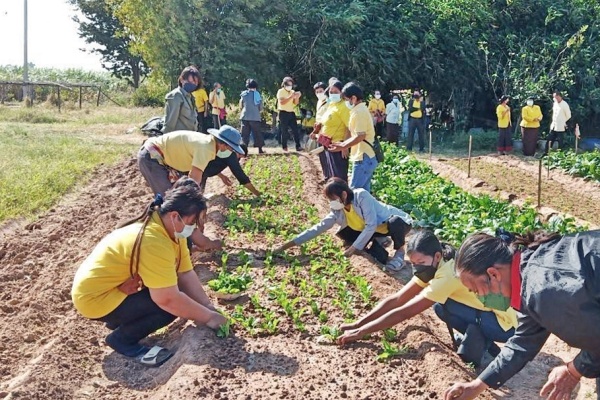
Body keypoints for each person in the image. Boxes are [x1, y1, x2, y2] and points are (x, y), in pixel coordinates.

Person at [71, 178, 227, 367]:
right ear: (175, 216)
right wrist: (209, 318)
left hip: (117, 288)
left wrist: (208, 307)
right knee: (167, 308)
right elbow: (167, 299)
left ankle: (121, 319)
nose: (193, 228)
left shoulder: (170, 231)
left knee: (177, 294)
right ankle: (122, 340)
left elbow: (185, 273)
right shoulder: (154, 241)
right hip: (94, 299)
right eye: (192, 222)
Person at [444, 230, 600, 400]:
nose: (479, 299)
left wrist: (573, 371)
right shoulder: (531, 272)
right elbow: (522, 343)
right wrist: (476, 386)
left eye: (476, 290)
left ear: (493, 274)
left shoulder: (543, 290)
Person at [337, 230, 517, 368]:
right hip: (490, 316)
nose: (417, 268)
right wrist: (358, 324)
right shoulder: (433, 266)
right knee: (441, 306)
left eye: (421, 263)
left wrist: (362, 332)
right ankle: (486, 344)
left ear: (437, 256)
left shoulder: (447, 276)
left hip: (506, 326)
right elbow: (398, 298)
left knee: (442, 306)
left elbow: (405, 312)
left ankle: (479, 346)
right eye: (414, 263)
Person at [137, 125, 244, 250]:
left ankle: (186, 243)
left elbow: (192, 179)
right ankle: (173, 243)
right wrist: (198, 210)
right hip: (152, 157)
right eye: (231, 149)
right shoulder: (206, 148)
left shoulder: (208, 144)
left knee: (180, 203)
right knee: (173, 203)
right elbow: (194, 180)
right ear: (224, 145)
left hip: (161, 158)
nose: (230, 152)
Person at [274, 178, 413, 271]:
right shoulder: (338, 209)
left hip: (394, 223)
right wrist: (286, 246)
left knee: (395, 222)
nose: (331, 202)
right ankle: (381, 240)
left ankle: (400, 254)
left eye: (333, 198)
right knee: (346, 234)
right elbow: (319, 227)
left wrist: (352, 250)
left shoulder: (361, 196)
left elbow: (370, 225)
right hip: (375, 229)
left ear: (344, 195)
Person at [329, 82, 379, 192]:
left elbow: (360, 136)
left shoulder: (359, 112)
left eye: (346, 99)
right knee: (363, 193)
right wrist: (343, 144)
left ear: (353, 98)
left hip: (363, 158)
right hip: (365, 156)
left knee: (354, 193)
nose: (345, 102)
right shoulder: (359, 109)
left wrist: (343, 146)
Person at [318, 80, 351, 181]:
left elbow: (349, 127)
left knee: (339, 175)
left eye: (336, 92)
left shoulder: (344, 107)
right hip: (329, 143)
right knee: (333, 173)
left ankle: (342, 191)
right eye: (331, 92)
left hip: (338, 145)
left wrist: (345, 146)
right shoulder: (332, 104)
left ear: (341, 92)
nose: (333, 94)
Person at [163, 66, 200, 134]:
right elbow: (170, 123)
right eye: (191, 81)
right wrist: (164, 138)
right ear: (182, 80)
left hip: (190, 136)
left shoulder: (191, 97)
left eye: (195, 82)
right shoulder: (176, 95)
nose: (193, 84)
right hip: (178, 137)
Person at [311, 81, 331, 181]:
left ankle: (330, 176)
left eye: (321, 91)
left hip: (327, 131)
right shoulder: (319, 102)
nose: (319, 93)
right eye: (317, 92)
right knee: (322, 155)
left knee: (328, 155)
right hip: (320, 133)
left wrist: (316, 130)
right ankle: (326, 175)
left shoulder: (329, 102)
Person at [239, 79, 265, 154]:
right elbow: (260, 107)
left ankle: (243, 150)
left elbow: (241, 105)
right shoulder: (257, 95)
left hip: (245, 116)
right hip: (255, 117)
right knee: (257, 134)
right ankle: (260, 149)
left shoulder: (243, 94)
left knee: (244, 135)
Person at [277, 76, 302, 151]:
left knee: (295, 130)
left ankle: (298, 146)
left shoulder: (292, 91)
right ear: (284, 84)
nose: (289, 86)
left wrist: (297, 97)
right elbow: (282, 102)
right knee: (284, 130)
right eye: (288, 85)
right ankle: (284, 147)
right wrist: (291, 97)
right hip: (283, 112)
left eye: (291, 85)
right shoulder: (280, 91)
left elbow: (295, 103)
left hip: (291, 112)